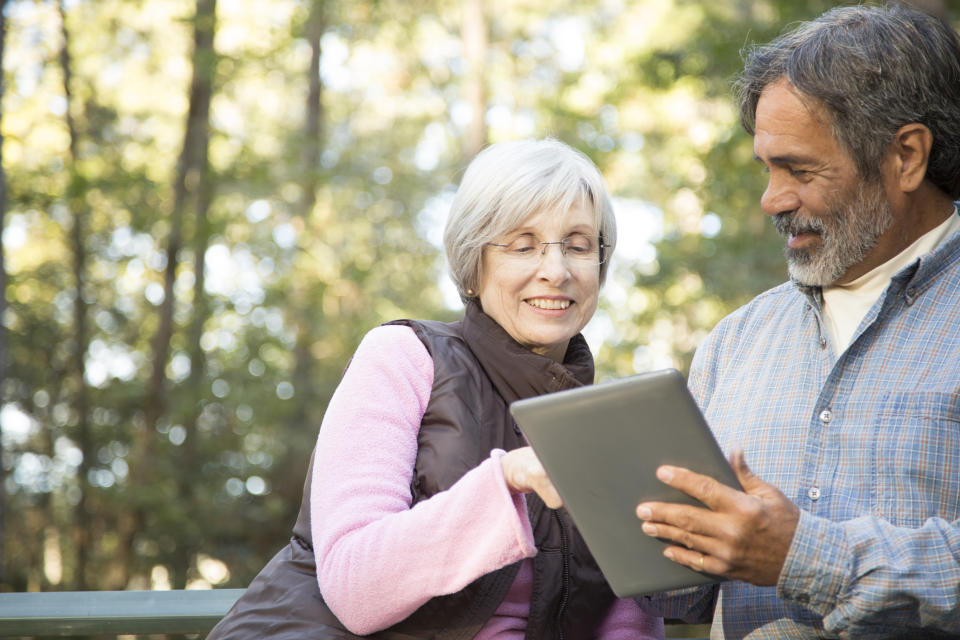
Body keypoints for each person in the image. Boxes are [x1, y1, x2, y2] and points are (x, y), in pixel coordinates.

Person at [207, 138, 664, 639]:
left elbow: (624, 617)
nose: (555, 271)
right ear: (474, 266)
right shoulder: (404, 356)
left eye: (577, 246)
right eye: (523, 245)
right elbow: (356, 588)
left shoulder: (611, 421)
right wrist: (507, 480)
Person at [628, 5, 960, 638]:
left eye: (800, 170)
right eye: (767, 168)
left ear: (907, 157)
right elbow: (679, 600)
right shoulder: (734, 342)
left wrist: (802, 556)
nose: (772, 199)